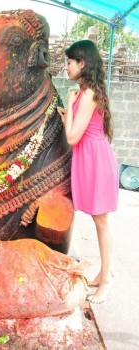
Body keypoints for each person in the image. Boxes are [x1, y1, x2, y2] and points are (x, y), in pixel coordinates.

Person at [57, 40, 119, 303]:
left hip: (96, 159)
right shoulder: (87, 93)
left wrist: (70, 103)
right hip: (90, 156)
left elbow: (72, 137)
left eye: (69, 62)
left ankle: (107, 280)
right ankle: (102, 274)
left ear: (81, 63)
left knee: (102, 223)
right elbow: (77, 129)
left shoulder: (87, 94)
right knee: (97, 221)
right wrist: (68, 112)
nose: (67, 67)